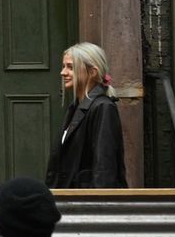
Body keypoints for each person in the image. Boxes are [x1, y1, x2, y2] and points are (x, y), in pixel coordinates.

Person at [46, 42, 126, 189]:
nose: (63, 72)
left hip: (89, 204)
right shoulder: (75, 108)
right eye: (64, 66)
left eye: (70, 67)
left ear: (92, 72)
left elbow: (104, 166)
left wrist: (97, 207)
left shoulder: (103, 107)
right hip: (70, 201)